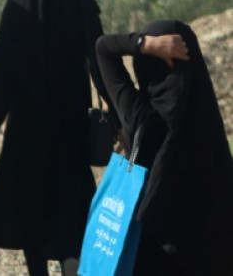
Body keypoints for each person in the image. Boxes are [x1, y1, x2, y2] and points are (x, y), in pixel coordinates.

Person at [0, 0, 110, 276]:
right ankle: (69, 259)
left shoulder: (18, 9)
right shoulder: (82, 3)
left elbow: (1, 79)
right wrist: (119, 115)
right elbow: (100, 63)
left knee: (30, 201)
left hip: (27, 129)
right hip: (70, 124)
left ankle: (37, 269)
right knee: (70, 195)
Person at [95, 20, 233, 275]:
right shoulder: (207, 126)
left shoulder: (140, 116)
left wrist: (143, 44)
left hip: (148, 255)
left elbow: (103, 48)